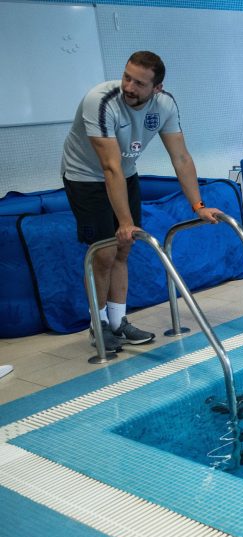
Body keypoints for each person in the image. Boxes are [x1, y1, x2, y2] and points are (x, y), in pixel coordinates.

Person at [61, 51, 222, 353]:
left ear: (156, 88)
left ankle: (118, 322)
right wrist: (124, 221)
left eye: (139, 83)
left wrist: (198, 206)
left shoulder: (165, 105)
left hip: (126, 173)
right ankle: (99, 327)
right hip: (86, 177)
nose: (129, 87)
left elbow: (181, 157)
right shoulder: (101, 101)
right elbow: (109, 167)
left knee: (124, 249)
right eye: (126, 77)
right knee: (105, 253)